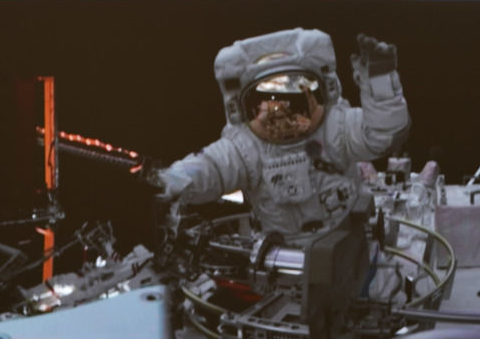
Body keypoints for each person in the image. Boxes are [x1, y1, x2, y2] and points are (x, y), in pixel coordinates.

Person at [151, 28, 410, 239]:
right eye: (269, 107)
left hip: (345, 240)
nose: (283, 119)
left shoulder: (335, 128)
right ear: (244, 110)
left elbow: (382, 134)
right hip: (281, 254)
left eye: (294, 105)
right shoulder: (245, 148)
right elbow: (210, 167)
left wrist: (381, 84)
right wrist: (173, 180)